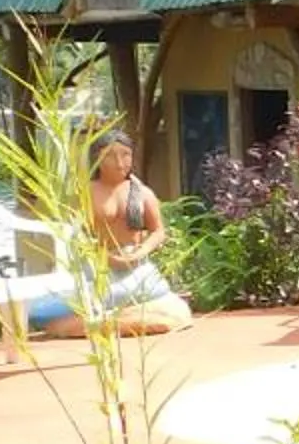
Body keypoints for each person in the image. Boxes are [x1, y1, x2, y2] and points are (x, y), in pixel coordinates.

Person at [29, 132, 186, 334]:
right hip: (99, 268)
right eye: (111, 155)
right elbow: (76, 235)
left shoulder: (142, 193)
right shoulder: (85, 193)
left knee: (164, 302)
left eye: (126, 154)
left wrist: (139, 253)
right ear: (98, 158)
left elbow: (157, 231)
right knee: (43, 310)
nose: (120, 162)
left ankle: (115, 318)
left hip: (137, 269)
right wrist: (102, 256)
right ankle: (107, 317)